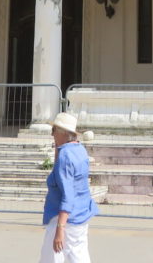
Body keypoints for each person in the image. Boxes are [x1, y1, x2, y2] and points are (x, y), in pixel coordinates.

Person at [39, 112, 98, 263]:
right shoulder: (79, 149)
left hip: (65, 219)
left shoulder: (65, 156)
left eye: (54, 130)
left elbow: (67, 195)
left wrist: (60, 228)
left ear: (63, 133)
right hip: (81, 215)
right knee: (79, 257)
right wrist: (58, 148)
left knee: (51, 258)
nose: (52, 134)